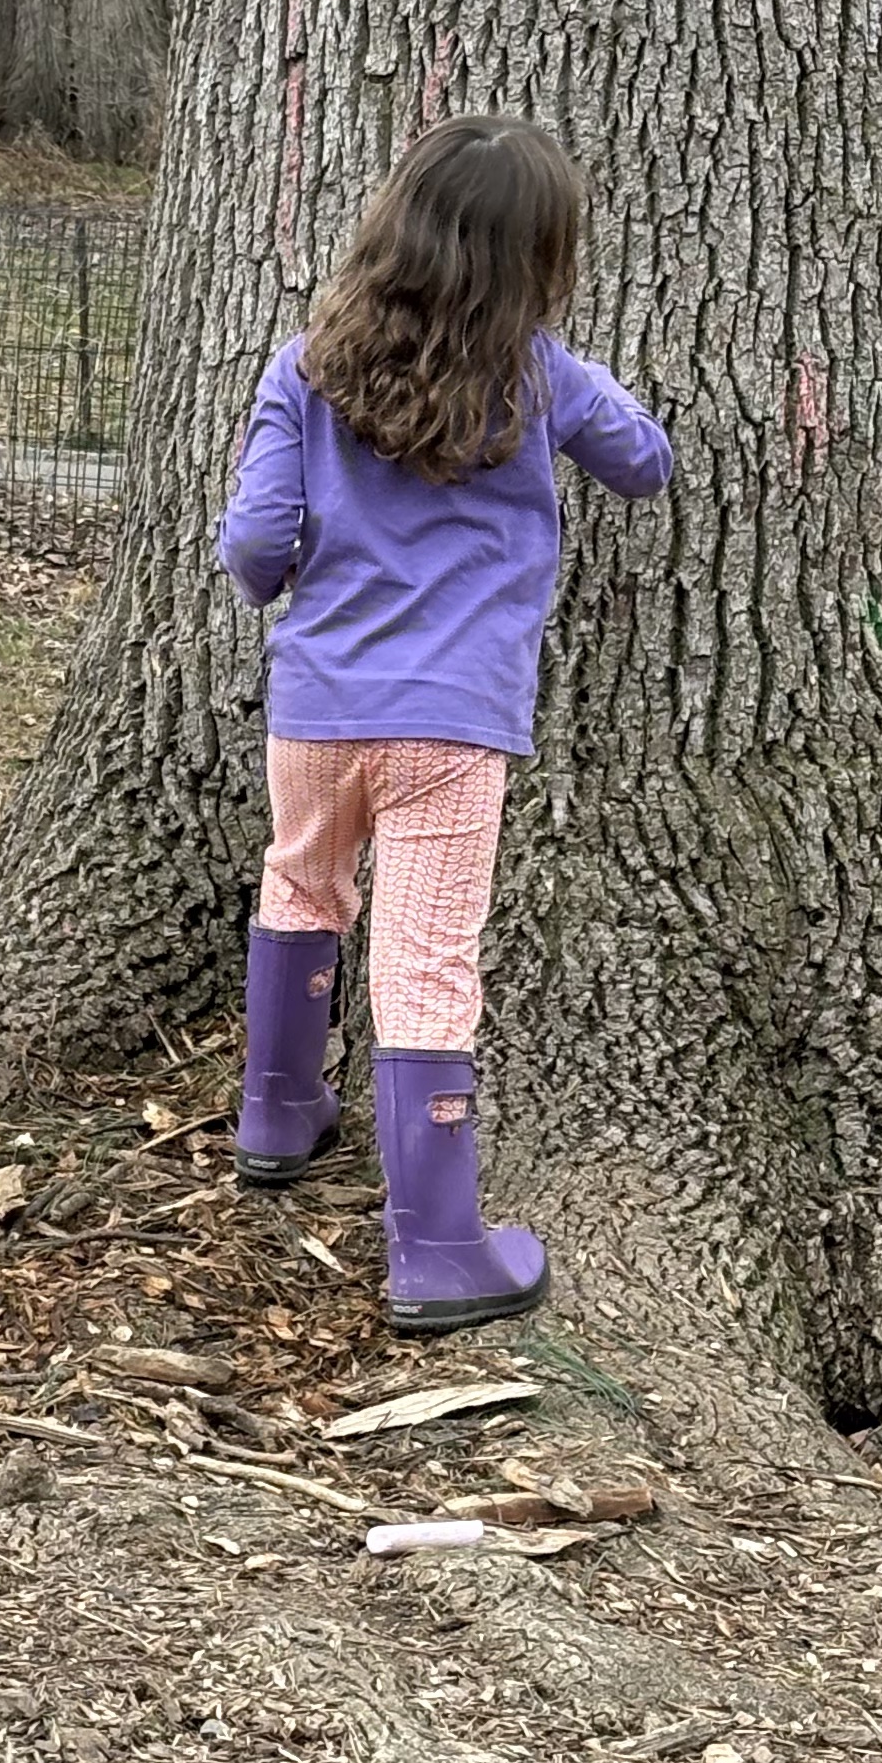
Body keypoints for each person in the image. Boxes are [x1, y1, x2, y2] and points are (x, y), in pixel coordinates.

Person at [216, 114, 672, 1335]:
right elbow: (645, 462)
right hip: (454, 721)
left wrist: (280, 587)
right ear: (537, 256)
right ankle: (436, 1245)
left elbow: (257, 543)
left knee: (300, 880)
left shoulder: (305, 364)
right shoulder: (538, 373)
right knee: (425, 957)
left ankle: (276, 1110)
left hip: (316, 705)